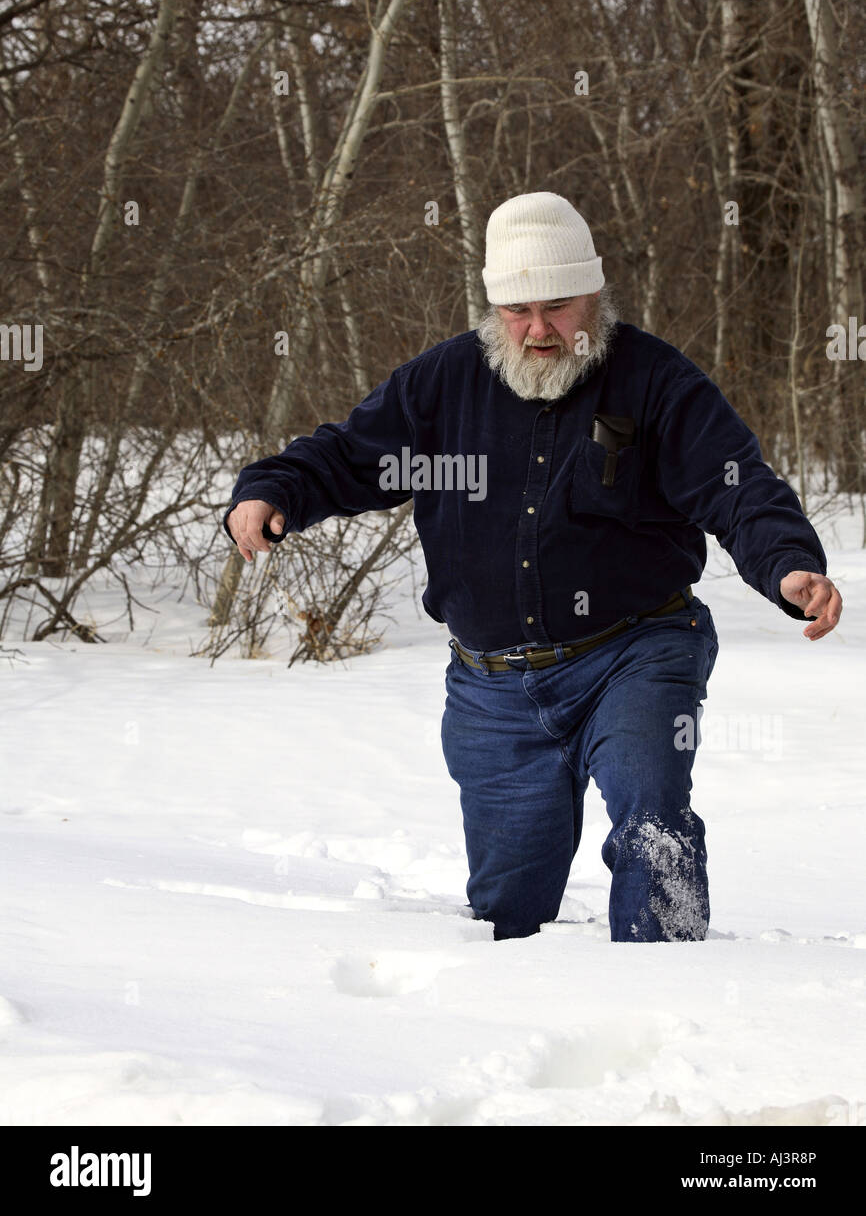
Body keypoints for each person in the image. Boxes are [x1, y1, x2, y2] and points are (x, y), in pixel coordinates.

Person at [223, 191, 842, 942]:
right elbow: (349, 456)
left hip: (634, 654)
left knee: (653, 813)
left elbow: (737, 484)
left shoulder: (655, 383)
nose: (539, 329)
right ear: (494, 306)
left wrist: (787, 565)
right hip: (492, 689)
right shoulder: (442, 386)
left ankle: (677, 990)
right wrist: (270, 490)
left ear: (595, 296)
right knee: (507, 911)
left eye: (559, 306)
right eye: (518, 309)